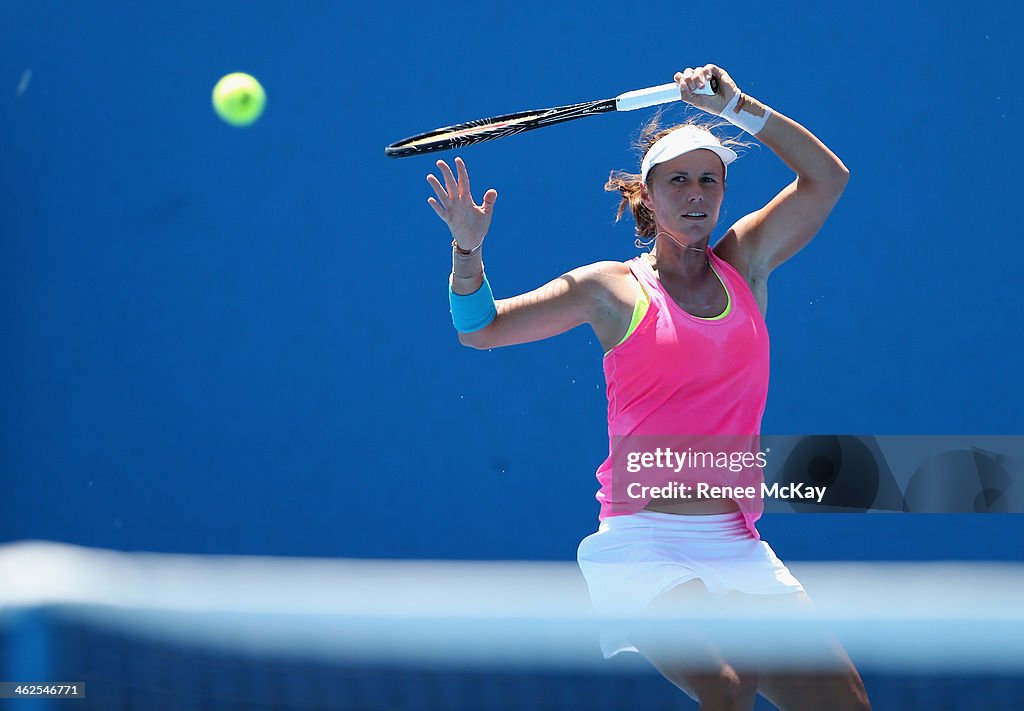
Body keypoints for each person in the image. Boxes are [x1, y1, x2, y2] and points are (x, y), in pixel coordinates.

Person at [428, 64, 870, 711]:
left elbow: (829, 178)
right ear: (649, 194)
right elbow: (481, 329)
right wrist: (468, 254)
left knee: (845, 704)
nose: (697, 193)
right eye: (679, 180)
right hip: (644, 543)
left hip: (737, 544)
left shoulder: (746, 262)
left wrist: (737, 107)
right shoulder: (612, 288)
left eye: (709, 180)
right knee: (727, 684)